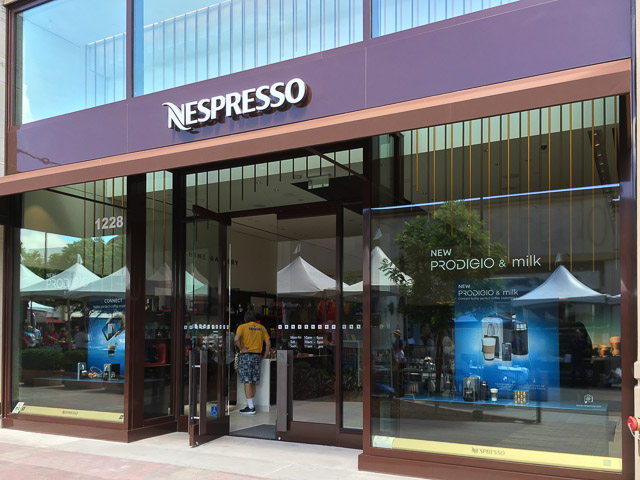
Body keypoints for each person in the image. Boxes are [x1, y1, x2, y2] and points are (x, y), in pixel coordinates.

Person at [234, 310, 271, 415]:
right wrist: (264, 355)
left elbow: (236, 339)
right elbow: (268, 343)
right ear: (254, 319)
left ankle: (250, 407)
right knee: (253, 381)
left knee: (247, 381)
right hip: (257, 356)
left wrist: (241, 348)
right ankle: (251, 405)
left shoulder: (242, 327)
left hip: (246, 356)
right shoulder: (261, 328)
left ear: (245, 319)